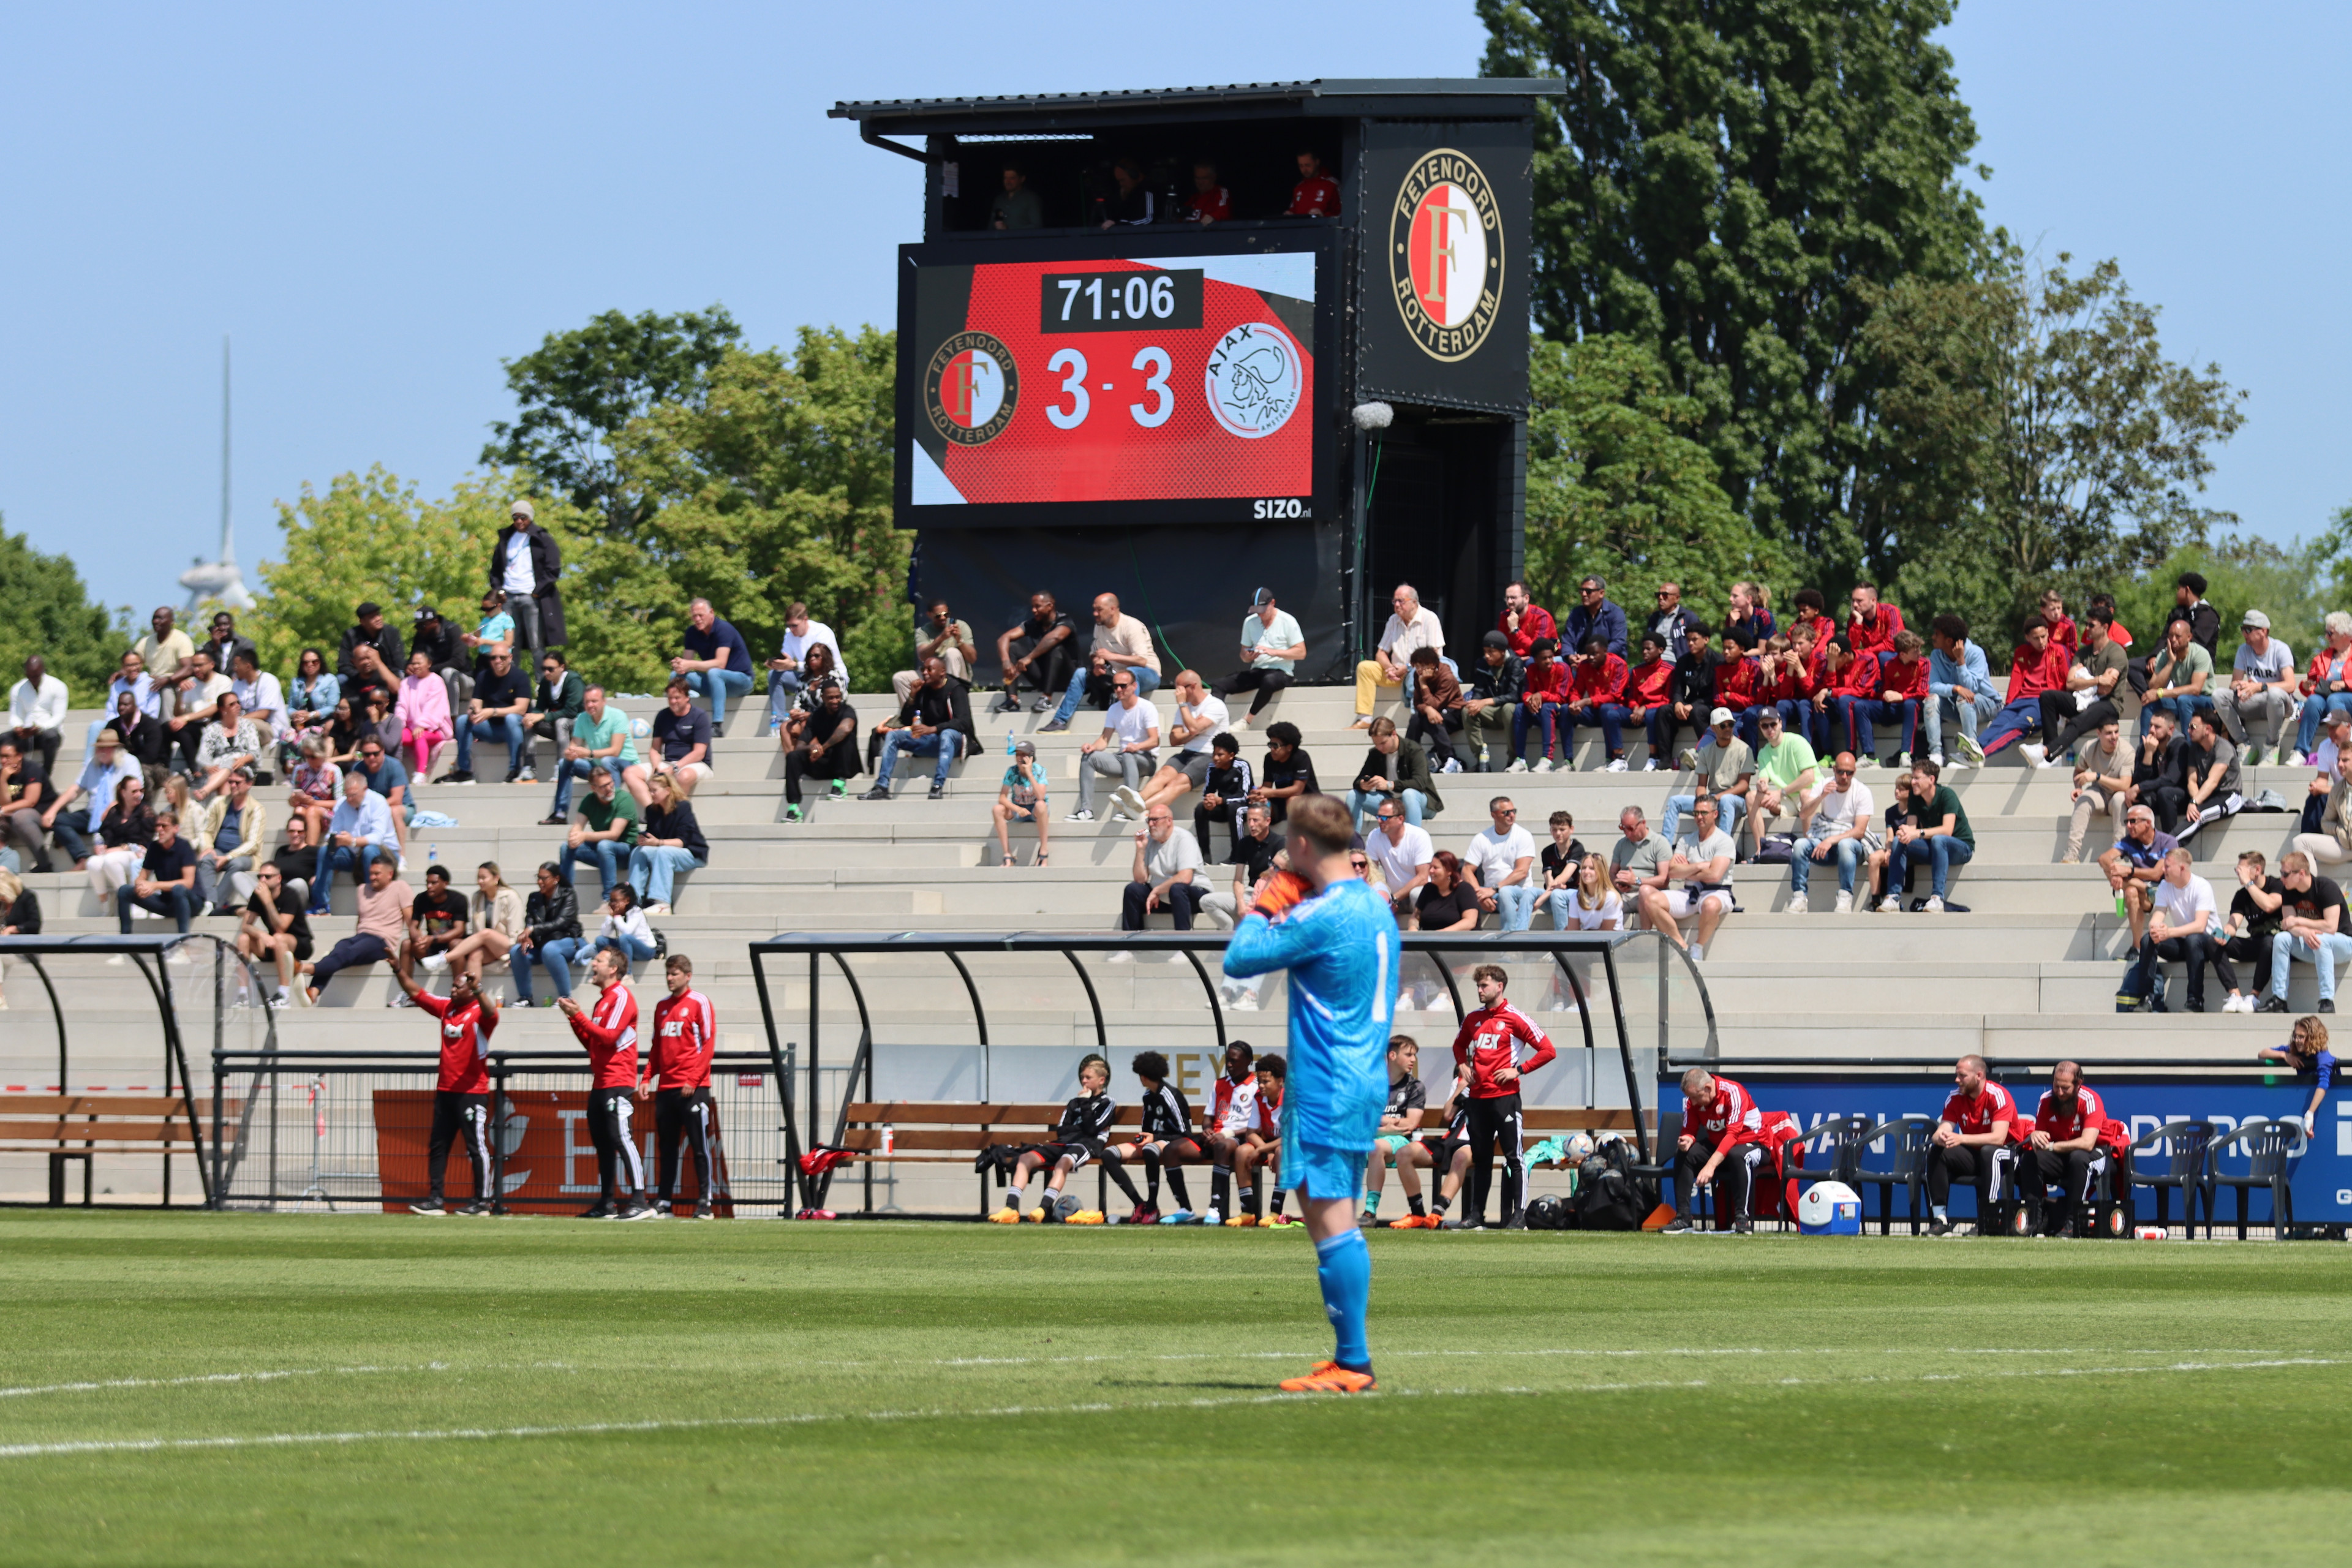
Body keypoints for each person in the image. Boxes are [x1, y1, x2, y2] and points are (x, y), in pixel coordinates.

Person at [1222, 791, 1388, 1392]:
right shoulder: (1373, 906)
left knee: (1331, 1216)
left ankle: (1354, 1361)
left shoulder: (1325, 915)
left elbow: (1240, 957)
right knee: (1329, 1214)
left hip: (1327, 1080)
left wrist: (1270, 898)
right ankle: (1350, 1358)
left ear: (1298, 845)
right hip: (1357, 1074)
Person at [1448, 965, 1555, 1229]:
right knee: (1481, 1157)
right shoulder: (1473, 1018)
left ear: (1500, 986)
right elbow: (1458, 1044)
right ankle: (1476, 1216)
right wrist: (1462, 1064)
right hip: (1477, 1099)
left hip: (1505, 1098)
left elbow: (1548, 1050)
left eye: (1484, 986)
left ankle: (1518, 1216)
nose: (1480, 991)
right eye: (1478, 986)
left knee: (1514, 1158)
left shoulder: (1515, 1017)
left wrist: (1518, 1070)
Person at [391, 960, 500, 1215]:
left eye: (456, 987)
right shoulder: (446, 1009)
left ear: (469, 990)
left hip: (472, 1092)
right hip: (446, 1091)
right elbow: (417, 993)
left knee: (476, 1147)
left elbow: (491, 1013)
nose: (451, 991)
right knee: (438, 1146)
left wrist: (478, 990)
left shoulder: (479, 1014)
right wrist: (398, 968)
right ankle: (436, 1199)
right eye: (451, 986)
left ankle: (482, 1202)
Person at [557, 948, 654, 1219]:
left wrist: (579, 1017)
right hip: (601, 1081)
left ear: (613, 969)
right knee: (602, 1143)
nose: (592, 964)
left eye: (598, 960)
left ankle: (640, 1201)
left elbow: (610, 1038)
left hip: (618, 1081)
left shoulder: (621, 996)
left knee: (622, 1139)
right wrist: (574, 1019)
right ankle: (607, 1202)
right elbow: (593, 1042)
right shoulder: (602, 1001)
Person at [987, 1054, 1128, 1222]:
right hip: (1062, 1143)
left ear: (1101, 1081)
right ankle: (1010, 1209)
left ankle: (1043, 1208)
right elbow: (1062, 1131)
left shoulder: (1107, 1102)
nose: (1084, 1081)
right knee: (1025, 1158)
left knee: (1064, 1162)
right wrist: (1080, 1124)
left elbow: (1091, 1130)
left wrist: (1085, 1106)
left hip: (1087, 1145)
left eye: (1088, 1078)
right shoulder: (1074, 1102)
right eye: (1082, 1077)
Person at [644, 954, 720, 1218]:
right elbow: (657, 1047)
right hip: (666, 1089)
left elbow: (708, 1044)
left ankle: (705, 1202)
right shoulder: (661, 1007)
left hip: (693, 1088)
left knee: (699, 1147)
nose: (669, 978)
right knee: (666, 1149)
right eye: (667, 973)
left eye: (674, 973)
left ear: (688, 976)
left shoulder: (700, 1002)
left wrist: (693, 1080)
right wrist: (646, 1078)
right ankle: (664, 1201)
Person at [2124, 848, 2243, 1014]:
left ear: (2182, 868)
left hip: (2209, 944)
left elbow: (2200, 926)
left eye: (2167, 866)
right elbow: (2157, 916)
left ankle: (2195, 1001)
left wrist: (2169, 932)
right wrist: (2156, 929)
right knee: (2148, 939)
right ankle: (2146, 999)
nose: (2163, 870)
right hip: (2184, 943)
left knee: (2194, 939)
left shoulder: (2201, 886)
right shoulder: (2166, 885)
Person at [2016, 1062, 2116, 1238]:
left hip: (2095, 1153)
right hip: (2061, 1154)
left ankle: (2073, 1222)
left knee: (2078, 1158)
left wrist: (2053, 1146)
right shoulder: (2046, 1100)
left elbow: (2087, 1143)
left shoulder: (2090, 1100)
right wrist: (2036, 1136)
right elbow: (2041, 1139)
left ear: (2078, 1084)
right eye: (2056, 1086)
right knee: (2030, 1158)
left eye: (2065, 1088)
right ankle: (2034, 1222)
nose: (2060, 1093)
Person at [1660, 1069, 1764, 1234]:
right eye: (1690, 1098)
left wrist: (1711, 1166)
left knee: (1737, 1155)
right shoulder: (1692, 1101)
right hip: (1718, 1144)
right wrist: (1687, 1139)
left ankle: (1742, 1219)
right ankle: (1683, 1218)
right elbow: (1689, 1128)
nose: (1693, 1102)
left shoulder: (1733, 1092)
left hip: (1753, 1143)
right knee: (1684, 1154)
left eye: (1695, 1097)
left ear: (1708, 1088)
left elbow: (1733, 1135)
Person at [301, 854, 413, 1004]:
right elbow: (361, 921)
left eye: (377, 874)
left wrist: (416, 940)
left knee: (349, 952)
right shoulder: (362, 890)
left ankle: (305, 968)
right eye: (371, 873)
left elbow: (410, 919)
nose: (372, 877)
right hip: (362, 936)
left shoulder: (400, 887)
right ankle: (314, 991)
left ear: (390, 874)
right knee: (340, 947)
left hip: (383, 941)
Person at [1040, 593, 1161, 732]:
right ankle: (1060, 721)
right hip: (1116, 674)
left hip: (1148, 673)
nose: (1095, 614)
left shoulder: (1131, 626)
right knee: (1081, 673)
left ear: (1113, 609)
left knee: (1130, 674)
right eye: (1094, 609)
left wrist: (1112, 656)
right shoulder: (1099, 626)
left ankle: (1129, 721)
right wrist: (1098, 663)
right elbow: (1095, 653)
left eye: (1099, 610)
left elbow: (1141, 660)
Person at [1637, 793, 1735, 960]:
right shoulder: (1685, 840)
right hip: (1689, 892)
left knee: (1711, 905)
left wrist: (1687, 870)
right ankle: (1680, 944)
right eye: (1696, 813)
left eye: (1704, 813)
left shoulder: (1724, 841)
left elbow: (1714, 875)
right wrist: (1699, 866)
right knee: (1651, 900)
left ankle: (1698, 947)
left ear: (1715, 814)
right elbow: (1673, 873)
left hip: (1718, 891)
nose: (1699, 817)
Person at [862, 656, 974, 802]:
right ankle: (881, 787)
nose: (925, 673)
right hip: (931, 740)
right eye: (923, 669)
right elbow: (906, 720)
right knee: (894, 736)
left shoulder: (955, 689)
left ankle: (938, 785)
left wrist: (933, 729)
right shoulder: (924, 690)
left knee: (947, 734)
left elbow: (963, 723)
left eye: (929, 669)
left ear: (942, 672)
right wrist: (912, 696)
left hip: (955, 742)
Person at [1926, 1055, 2016, 1236]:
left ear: (1979, 1075)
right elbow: (1943, 1129)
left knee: (1989, 1152)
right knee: (1937, 1151)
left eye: (1962, 1076)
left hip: (2007, 1155)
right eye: (1956, 1075)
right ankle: (1940, 1220)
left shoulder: (1997, 1095)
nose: (1957, 1080)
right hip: (1976, 1154)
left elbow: (1999, 1138)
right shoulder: (1954, 1097)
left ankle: (1987, 1219)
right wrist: (1939, 1137)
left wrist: (1961, 1139)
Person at [1110, 1050, 1199, 1224]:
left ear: (1143, 1077)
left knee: (1151, 1149)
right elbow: (1147, 1128)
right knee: (1109, 1154)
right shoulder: (1148, 1096)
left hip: (1174, 1141)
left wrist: (1155, 1137)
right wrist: (1144, 1137)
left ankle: (1152, 1206)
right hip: (1155, 1141)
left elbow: (1185, 1132)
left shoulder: (1171, 1095)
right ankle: (1139, 1204)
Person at [2263, 851, 2352, 1015]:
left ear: (2301, 874)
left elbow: (2331, 926)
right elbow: (2288, 925)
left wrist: (2300, 922)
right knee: (2281, 939)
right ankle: (2279, 999)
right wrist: (2303, 931)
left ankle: (2327, 1000)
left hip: (2343, 945)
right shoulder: (2288, 891)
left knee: (2321, 938)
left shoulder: (2326, 887)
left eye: (2285, 874)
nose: (2281, 878)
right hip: (2313, 945)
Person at [1066, 669, 1160, 823]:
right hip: (1124, 758)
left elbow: (1154, 741)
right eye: (1115, 686)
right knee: (1089, 757)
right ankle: (1086, 811)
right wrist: (1092, 747)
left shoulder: (1147, 707)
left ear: (1134, 686)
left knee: (1128, 755)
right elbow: (1104, 739)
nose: (1118, 690)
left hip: (1146, 760)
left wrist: (1136, 747)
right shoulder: (1114, 709)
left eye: (1123, 686)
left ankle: (1130, 809)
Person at [1787, 753, 1873, 914]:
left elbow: (1860, 831)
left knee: (1845, 844)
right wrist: (1822, 796)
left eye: (1849, 773)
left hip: (1852, 849)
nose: (1844, 777)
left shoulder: (1862, 791)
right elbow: (1804, 814)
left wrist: (1831, 840)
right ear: (1834, 769)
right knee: (1800, 845)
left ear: (1855, 772)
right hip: (1825, 847)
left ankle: (1845, 896)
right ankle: (1799, 897)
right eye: (1840, 772)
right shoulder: (1824, 785)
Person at [548, 685, 649, 822]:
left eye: (594, 701)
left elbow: (615, 751)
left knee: (608, 761)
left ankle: (614, 810)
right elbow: (574, 744)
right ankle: (560, 814)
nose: (590, 705)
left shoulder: (618, 716)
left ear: (604, 701)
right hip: (598, 765)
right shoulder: (582, 718)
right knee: (564, 763)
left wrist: (588, 753)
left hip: (624, 764)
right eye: (587, 702)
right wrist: (570, 753)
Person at [43, 725, 136, 870]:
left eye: (106, 748)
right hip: (93, 815)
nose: (101, 751)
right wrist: (52, 811)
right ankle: (82, 858)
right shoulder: (93, 763)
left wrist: (113, 807)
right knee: (60, 820)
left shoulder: (130, 762)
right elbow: (75, 789)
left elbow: (135, 792)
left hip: (118, 815)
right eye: (99, 748)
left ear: (116, 748)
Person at [1135, 670, 1229, 813]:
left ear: (1193, 686)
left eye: (1180, 688)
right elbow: (1174, 739)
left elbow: (1193, 727)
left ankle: (1138, 810)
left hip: (1210, 755)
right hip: (1187, 753)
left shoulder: (1215, 705)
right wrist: (1193, 733)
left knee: (1177, 783)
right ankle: (1135, 802)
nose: (1177, 693)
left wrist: (1189, 720)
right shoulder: (1184, 709)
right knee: (1163, 774)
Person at [1977, 615, 2071, 757]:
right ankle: (1974, 748)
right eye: (2036, 638)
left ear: (2048, 633)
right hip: (2019, 701)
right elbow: (2016, 678)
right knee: (1997, 724)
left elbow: (2067, 679)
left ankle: (1980, 755)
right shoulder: (2021, 652)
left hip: (2042, 703)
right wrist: (2009, 704)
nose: (2041, 642)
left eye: (2043, 636)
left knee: (2014, 726)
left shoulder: (2058, 651)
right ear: (2028, 638)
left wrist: (2065, 709)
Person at [1360, 1037, 1431, 1226]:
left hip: (1399, 1142)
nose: (1413, 1059)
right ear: (1392, 1055)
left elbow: (1410, 1124)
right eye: (1408, 1054)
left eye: (1415, 1055)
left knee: (1376, 1147)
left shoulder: (1414, 1087)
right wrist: (1386, 1122)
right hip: (1370, 1138)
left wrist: (1380, 1128)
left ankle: (1370, 1212)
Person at [1352, 584, 1444, 728]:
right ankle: (1365, 718)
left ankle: (1418, 720)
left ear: (1414, 602)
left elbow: (1435, 656)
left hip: (1420, 673)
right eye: (1394, 601)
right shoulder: (1393, 620)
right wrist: (1390, 668)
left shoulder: (1430, 618)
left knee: (1417, 672)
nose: (1396, 605)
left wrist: (1407, 668)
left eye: (1401, 601)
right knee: (1365, 667)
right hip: (1396, 673)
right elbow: (1381, 653)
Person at [2213, 609, 2297, 765]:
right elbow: (2233, 683)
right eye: (2243, 629)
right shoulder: (2243, 650)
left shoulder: (2281, 649)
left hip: (2278, 704)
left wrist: (2260, 686)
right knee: (2218, 695)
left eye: (2249, 629)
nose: (2244, 633)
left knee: (2275, 694)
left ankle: (2272, 746)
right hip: (2253, 702)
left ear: (2264, 631)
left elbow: (2291, 685)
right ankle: (2245, 744)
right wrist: (2241, 686)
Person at [444, 647, 534, 786]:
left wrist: (492, 712)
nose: (497, 661)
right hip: (491, 728)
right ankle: (465, 771)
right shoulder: (483, 676)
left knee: (511, 719)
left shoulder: (520, 676)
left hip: (514, 728)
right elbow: (476, 702)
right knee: (463, 721)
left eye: (502, 657)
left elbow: (521, 709)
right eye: (493, 658)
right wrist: (474, 712)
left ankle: (515, 769)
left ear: (510, 658)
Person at [310, 770, 395, 915]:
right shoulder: (342, 804)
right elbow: (333, 832)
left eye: (353, 795)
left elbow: (378, 837)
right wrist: (336, 840)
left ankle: (372, 904)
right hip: (353, 855)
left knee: (370, 850)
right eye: (347, 795)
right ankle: (322, 905)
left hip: (384, 855)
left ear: (365, 790)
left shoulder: (378, 802)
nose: (349, 799)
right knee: (325, 852)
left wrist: (353, 841)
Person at [1662, 707, 1753, 842]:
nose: (1728, 728)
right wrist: (1702, 801)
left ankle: (1722, 848)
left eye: (1731, 724)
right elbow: (1701, 785)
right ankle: (1665, 850)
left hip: (1737, 800)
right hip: (1713, 798)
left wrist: (1717, 798)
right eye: (1723, 725)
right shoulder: (1705, 752)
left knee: (1727, 800)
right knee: (1674, 801)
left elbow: (1744, 785)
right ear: (1713, 728)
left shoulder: (1745, 749)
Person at [489, 498, 565, 657]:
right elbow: (495, 569)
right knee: (510, 643)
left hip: (531, 597)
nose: (519, 521)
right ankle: (511, 679)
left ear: (530, 517)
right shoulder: (506, 538)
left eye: (523, 517)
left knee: (536, 643)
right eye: (515, 517)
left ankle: (541, 681)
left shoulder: (542, 538)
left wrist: (537, 592)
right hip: (509, 597)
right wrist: (499, 592)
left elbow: (553, 568)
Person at [1216, 588, 1304, 724]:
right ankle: (1215, 720)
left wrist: (1272, 651)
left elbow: (1301, 652)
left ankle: (1247, 721)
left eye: (1263, 610)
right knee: (1219, 685)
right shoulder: (1250, 622)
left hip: (1281, 672)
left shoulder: (1288, 621)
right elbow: (1243, 655)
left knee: (1269, 681)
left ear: (1273, 603)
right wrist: (1249, 656)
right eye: (1257, 611)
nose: (1260, 615)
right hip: (1258, 670)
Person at [508, 861, 587, 1007]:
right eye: (538, 878)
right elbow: (529, 921)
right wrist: (527, 938)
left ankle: (565, 997)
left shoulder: (568, 894)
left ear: (556, 878)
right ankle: (526, 998)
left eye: (544, 878)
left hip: (569, 941)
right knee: (516, 951)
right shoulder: (534, 898)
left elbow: (562, 922)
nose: (539, 882)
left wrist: (533, 930)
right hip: (542, 944)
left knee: (550, 949)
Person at [782, 679, 859, 823]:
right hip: (823, 763)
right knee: (793, 756)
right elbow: (800, 746)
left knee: (845, 738)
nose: (835, 700)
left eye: (838, 697)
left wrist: (822, 748)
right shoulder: (816, 716)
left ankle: (839, 785)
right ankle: (794, 807)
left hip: (844, 763)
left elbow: (845, 729)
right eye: (831, 698)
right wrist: (812, 748)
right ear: (822, 697)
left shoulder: (848, 711)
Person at [630, 773, 707, 917]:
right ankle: (634, 901)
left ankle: (662, 903)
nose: (651, 794)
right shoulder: (652, 810)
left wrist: (658, 843)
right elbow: (653, 835)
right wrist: (644, 840)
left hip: (691, 853)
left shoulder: (683, 807)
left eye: (654, 790)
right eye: (650, 790)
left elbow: (682, 841)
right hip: (665, 853)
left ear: (668, 790)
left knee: (663, 851)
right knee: (639, 851)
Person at [1925, 614, 1998, 768]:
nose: (1933, 637)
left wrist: (1961, 662)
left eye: (1937, 634)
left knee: (1964, 700)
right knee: (1931, 699)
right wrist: (1955, 688)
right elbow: (1932, 686)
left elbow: (1971, 690)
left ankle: (1971, 753)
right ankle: (1936, 754)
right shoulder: (1936, 655)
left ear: (1949, 641)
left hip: (1987, 705)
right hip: (1958, 707)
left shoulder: (1976, 653)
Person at [235, 862, 311, 1010]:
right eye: (260, 876)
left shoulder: (290, 895)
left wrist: (268, 901)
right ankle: (242, 994)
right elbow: (246, 925)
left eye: (267, 877)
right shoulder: (258, 895)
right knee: (243, 938)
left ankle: (284, 994)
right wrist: (262, 934)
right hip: (274, 944)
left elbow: (281, 927)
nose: (262, 880)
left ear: (278, 878)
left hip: (299, 944)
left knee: (279, 937)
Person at [1118, 805, 1205, 935]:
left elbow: (1185, 877)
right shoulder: (1149, 841)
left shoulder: (1184, 838)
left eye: (1155, 820)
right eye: (1149, 820)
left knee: (1178, 888)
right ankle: (1131, 946)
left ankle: (1183, 947)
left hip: (1195, 893)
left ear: (1169, 821)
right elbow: (1140, 879)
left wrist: (1157, 891)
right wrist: (1140, 850)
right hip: (1162, 897)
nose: (1151, 824)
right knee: (1132, 890)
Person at [1346, 715, 1441, 831]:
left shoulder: (1413, 750)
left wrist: (1390, 785)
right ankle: (1352, 845)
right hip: (1391, 803)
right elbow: (1358, 780)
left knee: (1409, 794)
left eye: (1383, 743)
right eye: (1376, 744)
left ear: (1394, 734)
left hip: (1422, 803)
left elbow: (1420, 783)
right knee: (1353, 795)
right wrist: (1363, 785)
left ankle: (1412, 844)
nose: (1379, 747)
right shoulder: (1375, 754)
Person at [440, 862, 526, 987]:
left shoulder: (510, 896)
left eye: (483, 878)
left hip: (508, 945)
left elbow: (516, 929)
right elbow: (477, 931)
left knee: (486, 933)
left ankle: (445, 958)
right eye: (478, 878)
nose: (480, 881)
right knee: (475, 956)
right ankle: (472, 994)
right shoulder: (477, 897)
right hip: (487, 946)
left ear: (496, 878)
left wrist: (514, 954)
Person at [991, 592, 1079, 715]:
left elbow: (1055, 638)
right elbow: (1004, 638)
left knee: (1056, 648)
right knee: (1012, 647)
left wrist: (1029, 657)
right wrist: (1006, 661)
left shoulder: (1065, 621)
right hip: (1043, 678)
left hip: (1067, 679)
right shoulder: (1032, 624)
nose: (1034, 610)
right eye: (1032, 607)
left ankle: (1046, 699)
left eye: (1038, 606)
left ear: (1050, 606)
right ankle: (1012, 699)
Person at [190, 769, 263, 915]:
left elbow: (253, 843)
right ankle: (208, 901)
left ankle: (216, 903)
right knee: (206, 858)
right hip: (218, 851)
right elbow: (206, 831)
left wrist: (229, 857)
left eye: (238, 782)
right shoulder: (219, 803)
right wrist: (208, 848)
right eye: (231, 782)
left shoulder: (256, 809)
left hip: (244, 856)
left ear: (249, 784)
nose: (233, 786)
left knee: (237, 864)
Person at [673, 598, 755, 728]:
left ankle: (717, 725)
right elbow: (687, 665)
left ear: (711, 612)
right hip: (715, 683)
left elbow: (720, 664)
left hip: (741, 682)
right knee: (675, 677)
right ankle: (678, 720)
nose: (698, 619)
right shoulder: (691, 632)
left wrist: (689, 664)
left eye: (701, 615)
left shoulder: (724, 629)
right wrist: (680, 665)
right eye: (694, 616)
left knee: (715, 673)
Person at [560, 763, 639, 899]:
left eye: (611, 783)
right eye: (603, 786)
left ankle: (609, 898)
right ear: (593, 788)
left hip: (626, 852)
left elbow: (614, 835)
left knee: (605, 845)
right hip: (603, 851)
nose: (609, 788)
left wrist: (584, 835)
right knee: (566, 848)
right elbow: (577, 827)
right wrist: (574, 838)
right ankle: (565, 896)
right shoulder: (589, 800)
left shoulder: (624, 799)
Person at [115, 807, 197, 934]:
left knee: (179, 890)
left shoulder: (184, 847)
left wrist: (154, 886)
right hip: (167, 902)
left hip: (191, 903)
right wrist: (142, 886)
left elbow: (188, 883)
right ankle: (124, 943)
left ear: (176, 829)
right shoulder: (154, 847)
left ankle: (183, 944)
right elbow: (141, 878)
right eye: (158, 826)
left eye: (164, 826)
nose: (160, 830)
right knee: (124, 891)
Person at [765, 602, 846, 729]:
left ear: (805, 620)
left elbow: (824, 664)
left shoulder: (822, 632)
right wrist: (777, 664)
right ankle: (779, 723)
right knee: (774, 675)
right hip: (808, 678)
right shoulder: (789, 634)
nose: (792, 629)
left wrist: (795, 666)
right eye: (789, 626)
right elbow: (787, 659)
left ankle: (816, 718)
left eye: (795, 626)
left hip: (831, 678)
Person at [2063, 719, 2133, 865]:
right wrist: (2078, 787)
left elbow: (2125, 785)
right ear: (2099, 733)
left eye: (2116, 732)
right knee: (2084, 799)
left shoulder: (2127, 752)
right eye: (2109, 733)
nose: (2114, 737)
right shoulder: (2089, 748)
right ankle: (2072, 853)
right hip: (2099, 793)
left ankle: (2118, 854)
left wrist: (2098, 777)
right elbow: (2079, 771)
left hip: (2118, 794)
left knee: (2120, 799)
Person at [1462, 796, 1537, 931]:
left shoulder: (1524, 836)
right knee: (1462, 894)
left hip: (1519, 893)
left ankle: (1510, 940)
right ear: (1494, 815)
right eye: (1506, 813)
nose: (1512, 815)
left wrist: (1495, 889)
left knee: (1506, 892)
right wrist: (1480, 896)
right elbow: (1467, 870)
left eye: (1514, 811)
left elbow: (1522, 872)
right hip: (1490, 894)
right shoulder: (1482, 839)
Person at [399, 862, 472, 1001]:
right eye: (427, 883)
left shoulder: (458, 900)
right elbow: (413, 925)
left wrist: (432, 939)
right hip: (431, 947)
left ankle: (457, 993)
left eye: (434, 883)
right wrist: (416, 938)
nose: (429, 886)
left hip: (450, 948)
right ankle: (407, 993)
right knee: (407, 944)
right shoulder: (421, 899)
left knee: (456, 943)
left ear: (445, 883)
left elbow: (459, 930)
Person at [2220, 850, 2285, 1003]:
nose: (2238, 873)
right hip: (2255, 942)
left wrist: (2248, 883)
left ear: (2257, 870)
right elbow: (2234, 923)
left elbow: (2269, 905)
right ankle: (2235, 994)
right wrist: (2225, 933)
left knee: (2269, 942)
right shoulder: (2241, 895)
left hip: (2275, 944)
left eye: (2242, 870)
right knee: (2212, 942)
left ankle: (2254, 996)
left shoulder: (2276, 885)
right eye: (2237, 870)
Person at [1747, 707, 1819, 842]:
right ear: (1760, 728)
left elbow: (1810, 777)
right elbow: (1764, 777)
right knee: (1751, 797)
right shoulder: (1763, 753)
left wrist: (1780, 793)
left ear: (1780, 723)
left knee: (1805, 794)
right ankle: (1761, 849)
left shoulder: (1797, 742)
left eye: (1773, 724)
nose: (1770, 729)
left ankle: (1809, 848)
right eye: (1765, 726)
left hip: (1812, 796)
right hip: (1789, 800)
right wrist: (1761, 784)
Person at [2256, 1016, 2339, 1134]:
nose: (2297, 1040)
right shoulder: (2293, 1049)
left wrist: (2310, 1114)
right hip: (2303, 1102)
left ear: (2313, 1037)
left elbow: (2324, 1083)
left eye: (2302, 1037)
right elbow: (2262, 1053)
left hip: (2327, 1108)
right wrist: (2285, 1056)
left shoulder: (2323, 1055)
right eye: (2296, 1036)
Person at [2174, 710, 2244, 843]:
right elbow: (2192, 780)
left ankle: (2166, 846)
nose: (2188, 731)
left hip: (2229, 796)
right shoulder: (2195, 748)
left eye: (2193, 727)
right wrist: (2196, 801)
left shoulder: (2224, 748)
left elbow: (2213, 781)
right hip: (2208, 795)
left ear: (2208, 729)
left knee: (2198, 815)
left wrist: (2194, 803)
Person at [2140, 617, 2215, 738]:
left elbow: (2195, 689)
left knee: (2184, 700)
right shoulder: (2165, 654)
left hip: (2205, 702)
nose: (2173, 640)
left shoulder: (2200, 654)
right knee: (2149, 703)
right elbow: (2153, 687)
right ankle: (2144, 748)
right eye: (2170, 636)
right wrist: (2170, 663)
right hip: (2182, 703)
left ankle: (2189, 746)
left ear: (2189, 637)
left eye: (2178, 636)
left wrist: (2160, 693)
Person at [86, 775, 155, 905]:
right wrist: (102, 846)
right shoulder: (115, 811)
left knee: (110, 861)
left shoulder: (146, 811)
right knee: (93, 863)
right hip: (113, 852)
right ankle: (105, 904)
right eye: (134, 791)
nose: (139, 794)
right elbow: (105, 833)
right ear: (123, 793)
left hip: (136, 853)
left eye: (141, 791)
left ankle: (126, 897)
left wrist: (123, 848)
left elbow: (145, 840)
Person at [1507, 636, 1572, 772]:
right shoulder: (1532, 669)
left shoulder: (1563, 668)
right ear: (1535, 660)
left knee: (1547, 708)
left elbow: (1562, 697)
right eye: (1544, 658)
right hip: (1540, 710)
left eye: (1551, 657)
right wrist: (1529, 700)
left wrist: (1542, 695)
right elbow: (1527, 692)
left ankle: (1547, 760)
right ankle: (1520, 760)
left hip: (1560, 711)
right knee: (1519, 708)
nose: (1549, 661)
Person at [1461, 632, 1523, 772]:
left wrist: (1485, 702)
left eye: (1491, 652)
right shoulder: (1482, 664)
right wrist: (1475, 703)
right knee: (1467, 710)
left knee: (1509, 708)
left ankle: (1513, 758)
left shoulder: (1515, 663)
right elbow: (1479, 690)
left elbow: (1514, 696)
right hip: (1491, 711)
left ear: (1502, 652)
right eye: (1485, 652)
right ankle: (1481, 758)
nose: (1487, 656)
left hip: (1507, 711)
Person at [894, 600, 977, 706]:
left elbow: (972, 659)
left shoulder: (961, 626)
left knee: (952, 653)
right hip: (932, 675)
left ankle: (951, 703)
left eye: (946, 615)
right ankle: (910, 714)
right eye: (938, 616)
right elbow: (923, 656)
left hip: (957, 676)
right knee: (900, 678)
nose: (943, 618)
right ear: (929, 615)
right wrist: (941, 638)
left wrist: (959, 640)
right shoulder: (923, 632)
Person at [1363, 797, 1434, 913]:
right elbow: (1371, 871)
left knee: (1416, 894)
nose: (1380, 821)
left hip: (1416, 895)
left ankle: (1420, 929)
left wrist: (1394, 899)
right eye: (1378, 817)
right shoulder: (1374, 836)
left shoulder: (1419, 836)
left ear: (1400, 819)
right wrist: (1385, 897)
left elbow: (1423, 878)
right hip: (1393, 896)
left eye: (1385, 818)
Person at [394, 649, 454, 782]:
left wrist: (422, 725)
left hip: (436, 729)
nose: (416, 666)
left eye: (419, 663)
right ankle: (393, 770)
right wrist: (399, 723)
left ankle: (421, 773)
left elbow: (434, 707)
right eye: (413, 663)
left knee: (420, 735)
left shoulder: (436, 681)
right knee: (394, 736)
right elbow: (401, 706)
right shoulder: (406, 683)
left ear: (429, 664)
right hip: (412, 728)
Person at [648, 678, 716, 794]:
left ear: (687, 698)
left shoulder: (700, 716)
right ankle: (652, 811)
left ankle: (679, 810)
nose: (673, 701)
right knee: (631, 773)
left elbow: (699, 753)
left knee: (683, 776)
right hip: (668, 763)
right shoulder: (662, 715)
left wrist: (674, 768)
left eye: (677, 698)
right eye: (670, 698)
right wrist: (656, 767)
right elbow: (655, 749)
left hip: (696, 764)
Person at [1402, 647, 1465, 772]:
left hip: (1454, 713)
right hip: (1433, 713)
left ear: (1432, 665)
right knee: (1415, 719)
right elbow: (1417, 702)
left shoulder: (1447, 678)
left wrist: (1424, 684)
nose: (1419, 670)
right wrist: (1428, 710)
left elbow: (1435, 704)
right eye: (1417, 666)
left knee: (1433, 720)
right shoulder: (1417, 675)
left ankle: (1451, 759)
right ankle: (1408, 758)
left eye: (1423, 666)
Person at [1189, 733, 1251, 860]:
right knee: (1201, 809)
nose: (1215, 758)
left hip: (1244, 808)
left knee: (1235, 809)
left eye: (1220, 755)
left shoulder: (1242, 766)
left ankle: (1237, 855)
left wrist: (1221, 800)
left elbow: (1245, 795)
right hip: (1225, 808)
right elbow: (1208, 791)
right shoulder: (1212, 768)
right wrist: (1209, 801)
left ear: (1231, 756)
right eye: (1214, 754)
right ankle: (1205, 856)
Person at [992, 738, 1050, 867]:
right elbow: (1002, 798)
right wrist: (1017, 809)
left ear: (1031, 757)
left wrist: (1029, 774)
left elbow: (1041, 796)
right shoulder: (1012, 771)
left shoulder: (1039, 771)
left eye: (1023, 754)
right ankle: (1008, 854)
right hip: (1018, 809)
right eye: (1018, 754)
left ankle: (1044, 851)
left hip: (1036, 810)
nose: (1020, 758)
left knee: (1041, 805)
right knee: (997, 809)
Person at [6, 655, 66, 780]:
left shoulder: (58, 686)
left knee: (50, 737)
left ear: (43, 671)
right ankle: (9, 775)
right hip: (26, 734)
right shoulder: (18, 689)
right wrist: (17, 727)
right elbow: (16, 715)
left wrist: (40, 728)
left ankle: (45, 775)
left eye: (36, 676)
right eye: (30, 676)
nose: (33, 679)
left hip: (47, 733)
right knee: (4, 739)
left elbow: (59, 716)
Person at [336, 601, 404, 709]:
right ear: (362, 621)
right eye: (372, 617)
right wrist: (364, 676)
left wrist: (378, 672)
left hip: (385, 673)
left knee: (401, 676)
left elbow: (399, 663)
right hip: (359, 675)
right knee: (340, 679)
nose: (378, 619)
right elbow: (343, 665)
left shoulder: (391, 632)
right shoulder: (351, 635)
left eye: (378, 614)